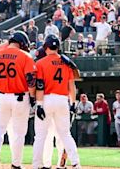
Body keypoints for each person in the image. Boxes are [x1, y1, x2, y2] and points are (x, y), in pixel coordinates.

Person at [0, 31, 35, 169]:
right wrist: (32, 97)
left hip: (1, 97)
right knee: (18, 133)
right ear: (22, 43)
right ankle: (16, 164)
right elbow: (30, 80)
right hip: (20, 97)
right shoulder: (25, 56)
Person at [32, 34, 81, 169]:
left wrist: (40, 104)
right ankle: (76, 163)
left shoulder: (40, 63)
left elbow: (40, 86)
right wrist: (73, 103)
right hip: (62, 99)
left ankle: (37, 165)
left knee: (41, 136)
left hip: (46, 99)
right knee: (65, 134)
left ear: (46, 47)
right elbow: (72, 86)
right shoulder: (66, 63)